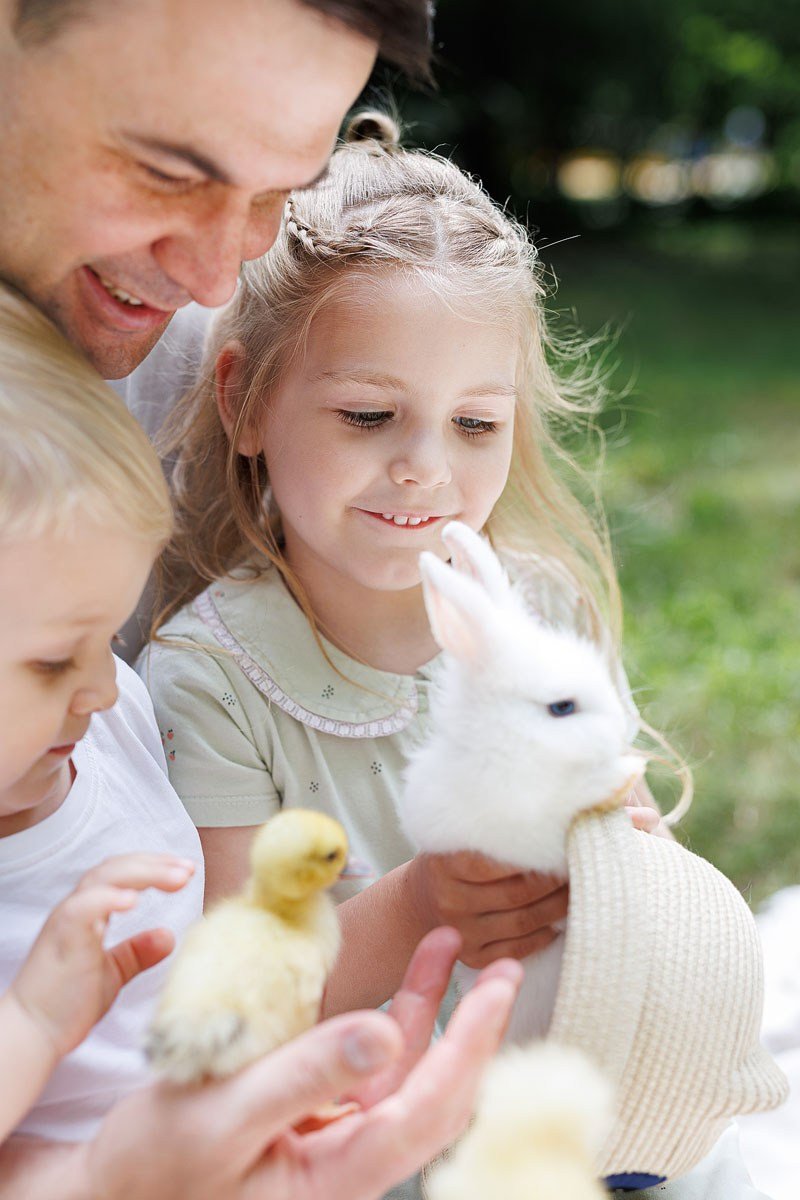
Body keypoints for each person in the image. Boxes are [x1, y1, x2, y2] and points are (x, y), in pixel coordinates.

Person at [136, 115, 772, 1199]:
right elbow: (236, 1004)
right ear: (243, 401)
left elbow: (632, 855)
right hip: (365, 1148)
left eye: (475, 425)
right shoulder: (212, 677)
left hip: (572, 1113)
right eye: (369, 414)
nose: (424, 469)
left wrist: (625, 866)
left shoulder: (532, 610)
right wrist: (422, 906)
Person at [0, 284, 522, 1197]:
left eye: (106, 638)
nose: (108, 681)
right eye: (51, 662)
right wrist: (36, 1030)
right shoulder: (195, 681)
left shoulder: (107, 718)